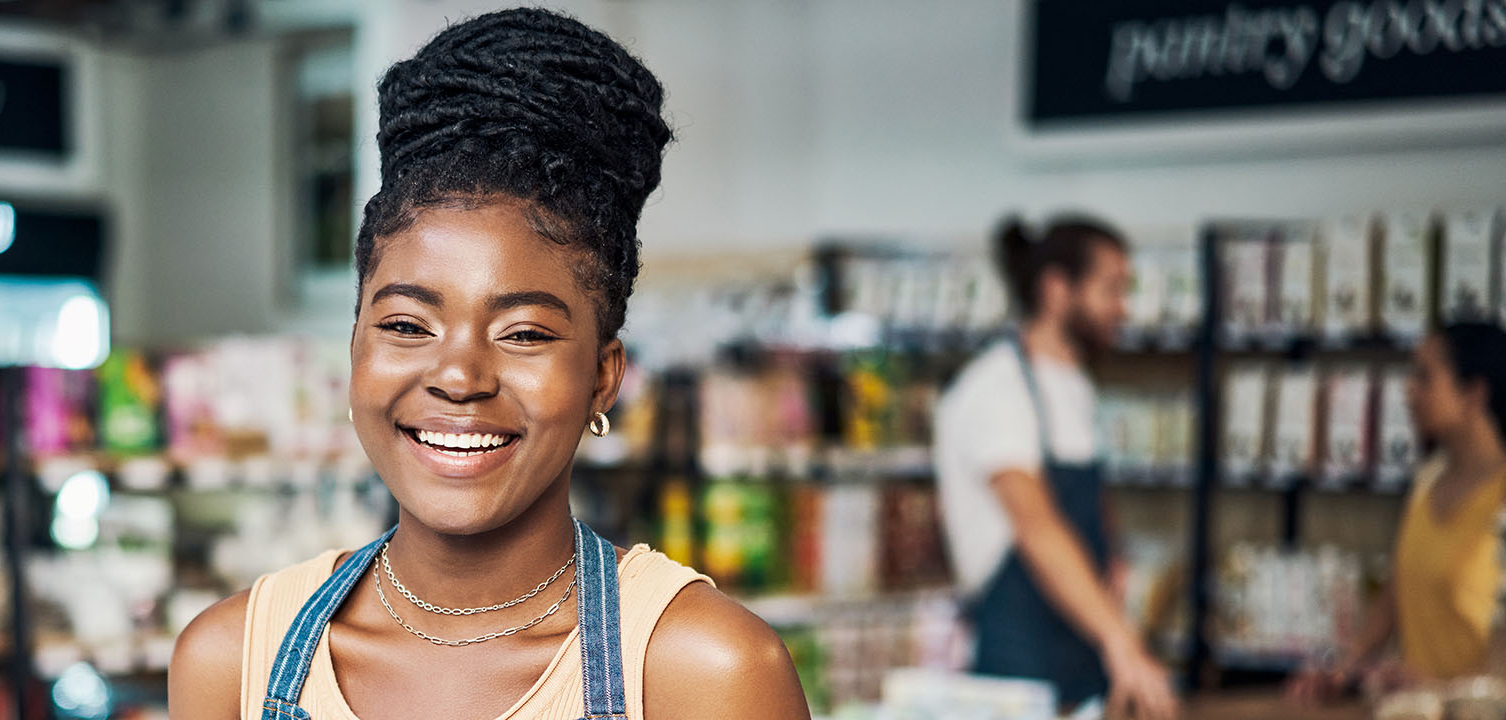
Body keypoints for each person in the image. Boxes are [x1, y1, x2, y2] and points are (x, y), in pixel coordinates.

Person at [167, 9, 809, 720]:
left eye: (525, 334)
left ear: (603, 376)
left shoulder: (704, 672)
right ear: (355, 349)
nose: (459, 377)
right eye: (408, 325)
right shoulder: (233, 662)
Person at [932, 216, 1179, 719]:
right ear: (1057, 289)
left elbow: (1091, 508)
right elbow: (1038, 527)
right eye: (1111, 289)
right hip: (1018, 673)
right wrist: (1121, 642)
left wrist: (1116, 567)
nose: (1122, 308)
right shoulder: (997, 389)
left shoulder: (1075, 387)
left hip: (1081, 661)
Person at [1289, 322, 1506, 703]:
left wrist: (1441, 690)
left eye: (1425, 377)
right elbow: (1396, 590)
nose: (1408, 391)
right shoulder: (1428, 481)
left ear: (1474, 393)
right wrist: (1346, 668)